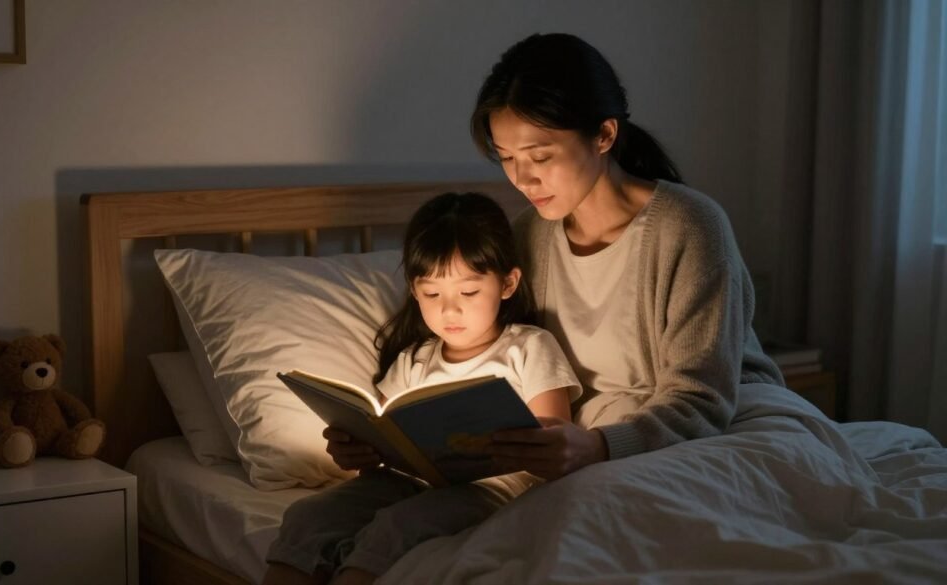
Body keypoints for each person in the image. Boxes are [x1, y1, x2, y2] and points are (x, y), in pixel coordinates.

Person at [467, 32, 784, 479]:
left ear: (604, 135)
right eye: (507, 158)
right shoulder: (526, 238)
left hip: (714, 428)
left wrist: (600, 446)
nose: (523, 179)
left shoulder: (691, 225)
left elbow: (702, 398)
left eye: (540, 156)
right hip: (591, 443)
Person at [262, 192, 582, 585]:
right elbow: (382, 427)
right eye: (432, 294)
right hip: (406, 481)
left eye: (468, 292)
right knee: (307, 516)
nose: (450, 310)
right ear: (415, 291)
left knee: (400, 525)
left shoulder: (528, 346)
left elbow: (554, 435)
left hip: (495, 485)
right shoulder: (414, 360)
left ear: (507, 284)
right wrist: (355, 447)